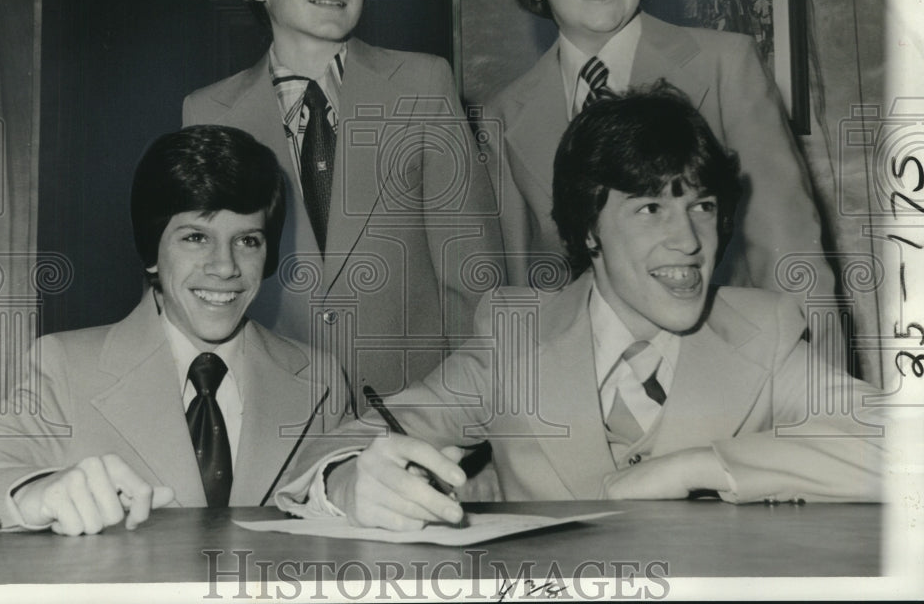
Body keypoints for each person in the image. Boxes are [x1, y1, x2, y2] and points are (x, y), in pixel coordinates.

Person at [274, 86, 883, 529]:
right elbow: (328, 449)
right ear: (588, 229)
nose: (691, 241)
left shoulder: (760, 332)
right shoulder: (516, 339)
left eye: (701, 205)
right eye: (650, 208)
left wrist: (703, 467)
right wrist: (350, 482)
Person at [184, 0, 505, 406]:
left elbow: (476, 284)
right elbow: (195, 294)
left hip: (414, 425)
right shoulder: (208, 112)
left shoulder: (424, 84)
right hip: (269, 426)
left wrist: (451, 422)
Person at [0, 125, 350, 535]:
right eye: (196, 237)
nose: (226, 266)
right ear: (152, 252)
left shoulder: (319, 378)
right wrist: (32, 492)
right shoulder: (65, 367)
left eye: (248, 241)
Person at [484, 0, 832, 304]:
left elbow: (794, 267)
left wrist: (815, 377)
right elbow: (520, 293)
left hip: (728, 365)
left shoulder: (726, 65)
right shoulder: (505, 118)